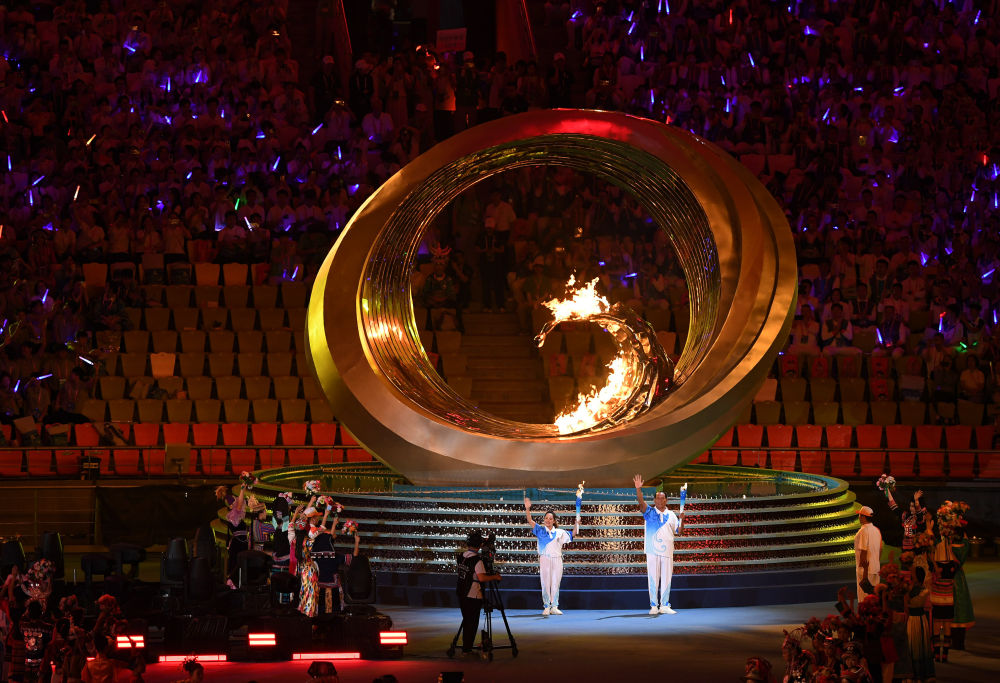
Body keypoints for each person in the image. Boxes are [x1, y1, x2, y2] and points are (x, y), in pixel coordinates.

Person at [633, 474, 684, 615]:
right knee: (653, 578)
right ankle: (654, 606)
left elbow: (679, 531)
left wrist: (682, 520)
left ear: (666, 500)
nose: (660, 500)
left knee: (666, 578)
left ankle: (665, 605)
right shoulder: (649, 512)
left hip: (667, 551)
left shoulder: (672, 515)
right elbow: (641, 502)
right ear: (654, 500)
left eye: (662, 498)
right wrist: (638, 489)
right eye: (658, 498)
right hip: (652, 550)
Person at [523, 496, 579, 615]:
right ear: (544, 519)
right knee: (545, 583)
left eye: (550, 518)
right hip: (545, 559)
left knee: (555, 583)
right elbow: (530, 520)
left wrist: (576, 524)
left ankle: (554, 606)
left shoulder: (559, 532)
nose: (548, 520)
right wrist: (527, 509)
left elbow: (573, 534)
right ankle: (546, 606)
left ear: (554, 521)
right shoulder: (540, 530)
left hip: (557, 560)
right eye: (546, 518)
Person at [456, 530, 500, 655]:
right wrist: (495, 577)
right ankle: (467, 649)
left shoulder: (461, 557)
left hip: (462, 593)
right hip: (473, 595)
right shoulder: (477, 560)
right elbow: (482, 578)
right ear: (479, 545)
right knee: (472, 622)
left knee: (467, 621)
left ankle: (466, 647)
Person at [854, 505, 882, 601]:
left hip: (865, 570)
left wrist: (863, 570)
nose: (859, 517)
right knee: (875, 597)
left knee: (865, 598)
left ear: (863, 517)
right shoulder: (877, 530)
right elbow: (880, 549)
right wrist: (876, 563)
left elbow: (863, 550)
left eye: (860, 515)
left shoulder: (863, 530)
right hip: (876, 568)